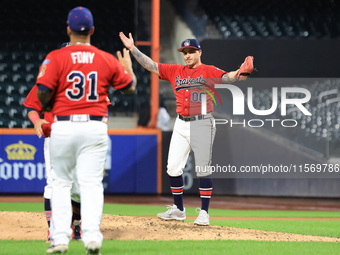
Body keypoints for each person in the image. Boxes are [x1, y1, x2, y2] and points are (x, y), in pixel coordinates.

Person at [119, 33, 253, 226]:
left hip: (203, 122)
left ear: (200, 52)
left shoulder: (208, 70)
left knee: (203, 169)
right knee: (173, 167)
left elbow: (227, 77)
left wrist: (241, 74)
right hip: (181, 123)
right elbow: (151, 65)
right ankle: (179, 210)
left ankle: (204, 213)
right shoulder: (175, 71)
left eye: (191, 51)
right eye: (185, 52)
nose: (187, 55)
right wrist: (133, 49)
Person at [36, 7, 136, 254]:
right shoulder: (105, 58)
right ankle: (92, 238)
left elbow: (42, 92)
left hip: (64, 124)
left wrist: (51, 104)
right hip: (94, 126)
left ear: (68, 29)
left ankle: (60, 240)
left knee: (59, 183)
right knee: (91, 184)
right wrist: (129, 68)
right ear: (92, 30)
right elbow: (130, 88)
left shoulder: (56, 57)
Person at [23, 42, 85, 243]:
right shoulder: (49, 80)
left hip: (81, 137)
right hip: (55, 136)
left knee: (79, 187)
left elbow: (104, 108)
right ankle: (53, 228)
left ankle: (77, 224)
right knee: (53, 183)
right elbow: (32, 106)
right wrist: (37, 120)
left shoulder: (87, 80)